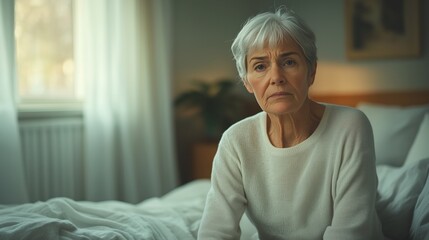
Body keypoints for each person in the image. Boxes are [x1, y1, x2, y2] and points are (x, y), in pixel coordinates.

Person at [198, 7, 384, 240]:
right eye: (260, 66)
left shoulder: (350, 126)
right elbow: (215, 233)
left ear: (311, 71)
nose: (276, 76)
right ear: (247, 82)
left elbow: (350, 235)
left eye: (288, 62)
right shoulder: (235, 141)